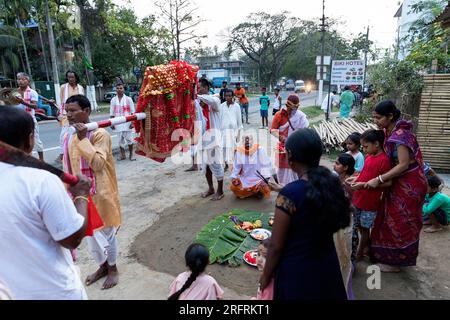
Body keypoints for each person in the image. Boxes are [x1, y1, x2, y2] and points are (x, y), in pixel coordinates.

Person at [0, 106, 91, 299]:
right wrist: (82, 195)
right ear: (30, 138)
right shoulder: (39, 180)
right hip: (55, 291)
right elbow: (71, 238)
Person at [261, 128, 350, 300]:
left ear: (290, 155)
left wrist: (265, 276)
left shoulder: (289, 194)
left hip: (298, 271)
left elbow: (276, 247)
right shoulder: (331, 184)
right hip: (327, 266)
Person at [63, 94, 122, 289]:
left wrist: (83, 139)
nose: (69, 115)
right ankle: (102, 266)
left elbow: (97, 163)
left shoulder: (99, 134)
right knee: (89, 235)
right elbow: (69, 167)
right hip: (82, 196)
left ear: (86, 112)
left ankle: (113, 268)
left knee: (106, 233)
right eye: (67, 111)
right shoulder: (70, 136)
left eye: (73, 111)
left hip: (101, 193)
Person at [367, 100, 427, 272]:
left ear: (390, 116)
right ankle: (390, 256)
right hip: (400, 181)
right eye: (374, 117)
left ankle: (396, 263)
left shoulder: (400, 137)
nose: (376, 121)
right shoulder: (389, 132)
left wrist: (378, 179)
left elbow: (403, 165)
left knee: (401, 220)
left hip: (410, 184)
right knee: (390, 217)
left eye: (378, 118)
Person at [348, 130, 392, 262]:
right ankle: (366, 247)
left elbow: (388, 182)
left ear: (377, 144)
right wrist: (355, 180)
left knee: (365, 228)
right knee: (359, 227)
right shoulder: (369, 157)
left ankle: (360, 253)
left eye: (366, 146)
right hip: (359, 198)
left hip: (370, 203)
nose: (364, 149)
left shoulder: (384, 160)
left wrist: (364, 184)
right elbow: (364, 175)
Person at [270, 94, 309, 186]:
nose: (293, 111)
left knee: (295, 169)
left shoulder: (300, 116)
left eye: (295, 109)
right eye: (291, 109)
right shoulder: (278, 115)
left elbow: (304, 131)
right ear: (287, 105)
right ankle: (283, 188)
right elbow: (272, 130)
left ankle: (293, 189)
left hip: (296, 148)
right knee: (282, 170)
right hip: (282, 148)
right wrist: (282, 138)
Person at [197, 78, 224, 201]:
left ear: (207, 87)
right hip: (203, 139)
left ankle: (220, 190)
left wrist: (197, 96)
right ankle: (211, 188)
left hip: (214, 138)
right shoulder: (199, 104)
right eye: (197, 88)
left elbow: (210, 100)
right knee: (206, 165)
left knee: (216, 164)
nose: (199, 89)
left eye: (201, 87)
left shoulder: (215, 100)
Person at [230, 135, 273, 199]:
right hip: (245, 179)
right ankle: (253, 192)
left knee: (264, 187)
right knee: (234, 187)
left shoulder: (260, 150)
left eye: (249, 139)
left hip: (259, 179)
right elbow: (237, 167)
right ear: (242, 142)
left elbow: (266, 165)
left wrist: (266, 178)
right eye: (245, 140)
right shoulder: (239, 151)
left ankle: (256, 192)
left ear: (253, 141)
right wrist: (234, 178)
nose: (247, 141)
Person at [15, 72, 44, 161]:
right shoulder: (14, 93)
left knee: (36, 140)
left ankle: (41, 159)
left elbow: (35, 106)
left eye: (23, 79)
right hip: (18, 120)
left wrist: (22, 102)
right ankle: (25, 158)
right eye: (19, 79)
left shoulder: (32, 92)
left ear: (28, 81)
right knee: (20, 141)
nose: (20, 81)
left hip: (30, 119)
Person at [57, 71, 85, 162]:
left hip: (78, 113)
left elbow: (83, 101)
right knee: (64, 134)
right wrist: (60, 114)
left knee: (78, 131)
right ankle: (63, 154)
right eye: (69, 77)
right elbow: (61, 102)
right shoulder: (63, 87)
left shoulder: (80, 88)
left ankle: (78, 152)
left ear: (76, 78)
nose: (71, 79)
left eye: (72, 77)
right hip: (67, 114)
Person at [110, 82, 136, 161]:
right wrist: (112, 122)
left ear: (124, 89)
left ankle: (131, 154)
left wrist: (132, 122)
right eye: (117, 88)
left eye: (121, 88)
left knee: (129, 139)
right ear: (115, 89)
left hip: (127, 122)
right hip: (117, 122)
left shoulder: (129, 99)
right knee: (120, 140)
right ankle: (123, 155)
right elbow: (111, 112)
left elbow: (133, 112)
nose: (119, 90)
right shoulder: (113, 100)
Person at [220, 89, 242, 170]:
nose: (228, 97)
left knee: (234, 149)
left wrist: (238, 134)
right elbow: (220, 119)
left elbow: (239, 122)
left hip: (234, 132)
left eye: (229, 95)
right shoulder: (221, 106)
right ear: (224, 96)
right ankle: (226, 165)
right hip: (223, 132)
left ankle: (235, 166)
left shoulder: (237, 106)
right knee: (224, 148)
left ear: (233, 96)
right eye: (226, 96)